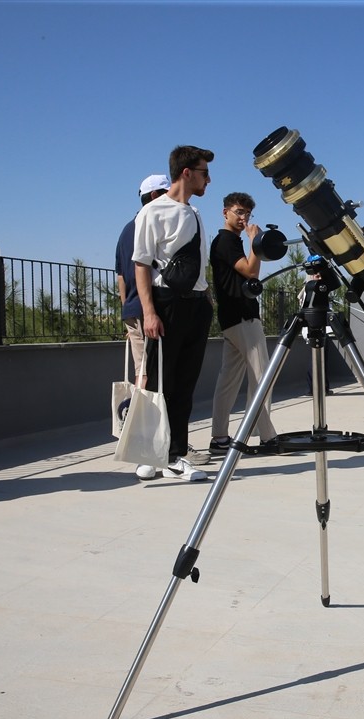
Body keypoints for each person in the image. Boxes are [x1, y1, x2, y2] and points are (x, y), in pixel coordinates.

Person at [132, 145, 216, 482]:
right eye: (204, 173)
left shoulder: (193, 213)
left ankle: (174, 454)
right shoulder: (154, 211)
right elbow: (141, 264)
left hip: (195, 305)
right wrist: (150, 312)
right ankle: (151, 453)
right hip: (167, 303)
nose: (208, 180)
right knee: (159, 381)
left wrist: (206, 297)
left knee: (185, 382)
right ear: (186, 173)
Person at [208, 192, 278, 451]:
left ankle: (219, 438)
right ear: (225, 212)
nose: (244, 217)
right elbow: (250, 271)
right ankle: (267, 435)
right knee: (262, 378)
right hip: (243, 316)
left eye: (247, 213)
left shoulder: (225, 241)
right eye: (239, 212)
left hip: (231, 317)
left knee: (228, 381)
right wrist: (256, 243)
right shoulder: (227, 241)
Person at [116, 174, 170, 381]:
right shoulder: (152, 225)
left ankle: (139, 412)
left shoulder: (126, 229)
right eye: (167, 195)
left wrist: (127, 307)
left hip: (132, 308)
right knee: (155, 374)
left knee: (142, 371)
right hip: (151, 309)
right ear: (155, 195)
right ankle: (148, 414)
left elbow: (121, 275)